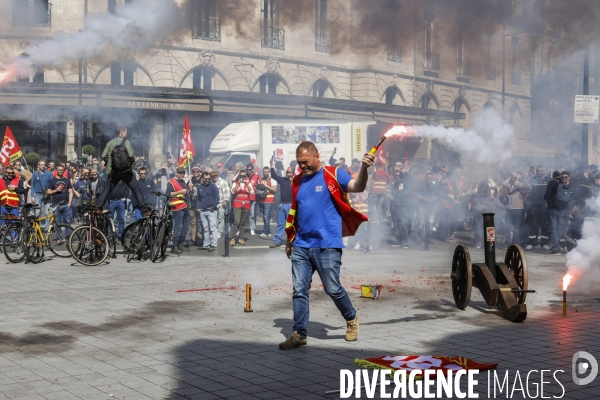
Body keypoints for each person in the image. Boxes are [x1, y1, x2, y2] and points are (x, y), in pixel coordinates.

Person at [278, 142, 373, 350]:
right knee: (299, 290)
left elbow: (358, 187)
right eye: (299, 163)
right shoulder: (297, 181)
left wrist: (364, 169)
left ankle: (351, 316)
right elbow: (295, 212)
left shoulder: (334, 174)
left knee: (332, 288)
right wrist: (289, 240)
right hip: (301, 245)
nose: (302, 166)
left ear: (317, 156)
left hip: (328, 244)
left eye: (305, 162)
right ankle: (299, 333)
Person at [94, 126, 147, 216]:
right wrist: (134, 159)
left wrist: (110, 162)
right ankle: (144, 210)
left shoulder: (110, 143)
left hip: (114, 171)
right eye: (126, 132)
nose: (127, 134)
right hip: (126, 172)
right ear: (121, 133)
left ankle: (97, 208)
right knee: (136, 189)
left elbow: (103, 155)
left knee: (107, 190)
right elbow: (130, 155)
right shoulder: (126, 142)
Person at [269, 160, 294, 248]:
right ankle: (276, 241)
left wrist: (292, 182)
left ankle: (291, 241)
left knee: (291, 224)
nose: (288, 173)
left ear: (293, 173)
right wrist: (272, 166)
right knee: (280, 224)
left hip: (291, 205)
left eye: (289, 172)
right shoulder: (283, 180)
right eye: (287, 172)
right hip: (282, 204)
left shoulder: (295, 182)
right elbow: (274, 176)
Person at [544, 170, 569, 255]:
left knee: (552, 228)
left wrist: (546, 201)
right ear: (560, 176)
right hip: (562, 209)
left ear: (553, 176)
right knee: (559, 228)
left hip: (552, 208)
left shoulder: (552, 183)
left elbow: (546, 196)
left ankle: (555, 248)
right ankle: (558, 245)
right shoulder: (563, 183)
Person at [525, 166, 550, 250]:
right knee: (533, 224)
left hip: (544, 205)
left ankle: (544, 243)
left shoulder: (549, 180)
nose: (539, 172)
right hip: (534, 205)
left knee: (544, 225)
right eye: (538, 171)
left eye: (541, 171)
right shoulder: (533, 179)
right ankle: (531, 243)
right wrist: (529, 176)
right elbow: (526, 186)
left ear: (544, 171)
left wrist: (549, 202)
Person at [167, 167, 191, 254]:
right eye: (180, 173)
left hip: (185, 207)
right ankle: (174, 246)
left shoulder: (183, 181)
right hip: (177, 207)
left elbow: (186, 193)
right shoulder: (171, 182)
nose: (182, 175)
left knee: (186, 227)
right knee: (178, 228)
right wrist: (180, 191)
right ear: (176, 173)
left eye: (183, 173)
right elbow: (169, 194)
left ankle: (180, 243)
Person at [46, 164, 73, 237]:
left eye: (62, 170)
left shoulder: (67, 180)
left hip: (66, 204)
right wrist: (56, 190)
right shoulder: (53, 181)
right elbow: (48, 192)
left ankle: (68, 237)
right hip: (56, 205)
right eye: (59, 170)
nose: (61, 171)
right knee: (57, 223)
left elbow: (70, 192)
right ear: (56, 170)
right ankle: (59, 237)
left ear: (64, 171)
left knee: (67, 222)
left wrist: (70, 203)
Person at [501, 171, 527, 248]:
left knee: (516, 228)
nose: (513, 179)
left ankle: (515, 243)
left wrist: (517, 179)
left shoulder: (520, 184)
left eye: (514, 177)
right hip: (509, 208)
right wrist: (510, 178)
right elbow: (504, 183)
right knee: (507, 227)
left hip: (518, 209)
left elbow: (519, 185)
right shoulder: (509, 185)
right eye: (512, 177)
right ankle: (507, 243)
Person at [196, 172, 220, 252]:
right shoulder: (199, 187)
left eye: (209, 179)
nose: (208, 180)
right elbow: (198, 199)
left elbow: (217, 198)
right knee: (205, 229)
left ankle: (213, 244)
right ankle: (206, 244)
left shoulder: (213, 186)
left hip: (211, 211)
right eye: (206, 179)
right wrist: (197, 208)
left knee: (213, 228)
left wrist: (213, 207)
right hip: (202, 211)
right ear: (202, 178)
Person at [230, 170, 254, 246]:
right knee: (237, 221)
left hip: (246, 205)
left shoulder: (248, 183)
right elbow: (233, 192)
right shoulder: (235, 183)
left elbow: (252, 192)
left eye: (244, 176)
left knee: (243, 222)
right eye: (241, 176)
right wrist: (238, 184)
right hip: (237, 204)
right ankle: (233, 238)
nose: (242, 177)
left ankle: (241, 237)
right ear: (239, 176)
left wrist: (247, 184)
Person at [257, 166, 277, 239]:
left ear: (269, 172)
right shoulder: (260, 179)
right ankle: (269, 231)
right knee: (264, 217)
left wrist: (266, 185)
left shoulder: (272, 179)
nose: (265, 173)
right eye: (264, 172)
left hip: (268, 200)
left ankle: (265, 232)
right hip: (261, 200)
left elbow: (274, 190)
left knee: (266, 216)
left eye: (267, 172)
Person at [211, 169, 230, 237]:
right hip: (213, 204)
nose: (214, 177)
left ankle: (219, 232)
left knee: (221, 218)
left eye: (215, 175)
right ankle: (214, 231)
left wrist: (226, 200)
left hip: (221, 203)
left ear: (218, 175)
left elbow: (227, 192)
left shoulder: (223, 182)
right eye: (213, 176)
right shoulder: (211, 183)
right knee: (214, 219)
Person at [188, 166, 204, 246]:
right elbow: (187, 193)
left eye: (197, 172)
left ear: (200, 172)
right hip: (193, 204)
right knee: (193, 223)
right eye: (194, 172)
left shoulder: (202, 181)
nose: (195, 173)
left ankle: (204, 238)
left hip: (201, 204)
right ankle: (193, 239)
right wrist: (189, 187)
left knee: (202, 222)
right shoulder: (190, 181)